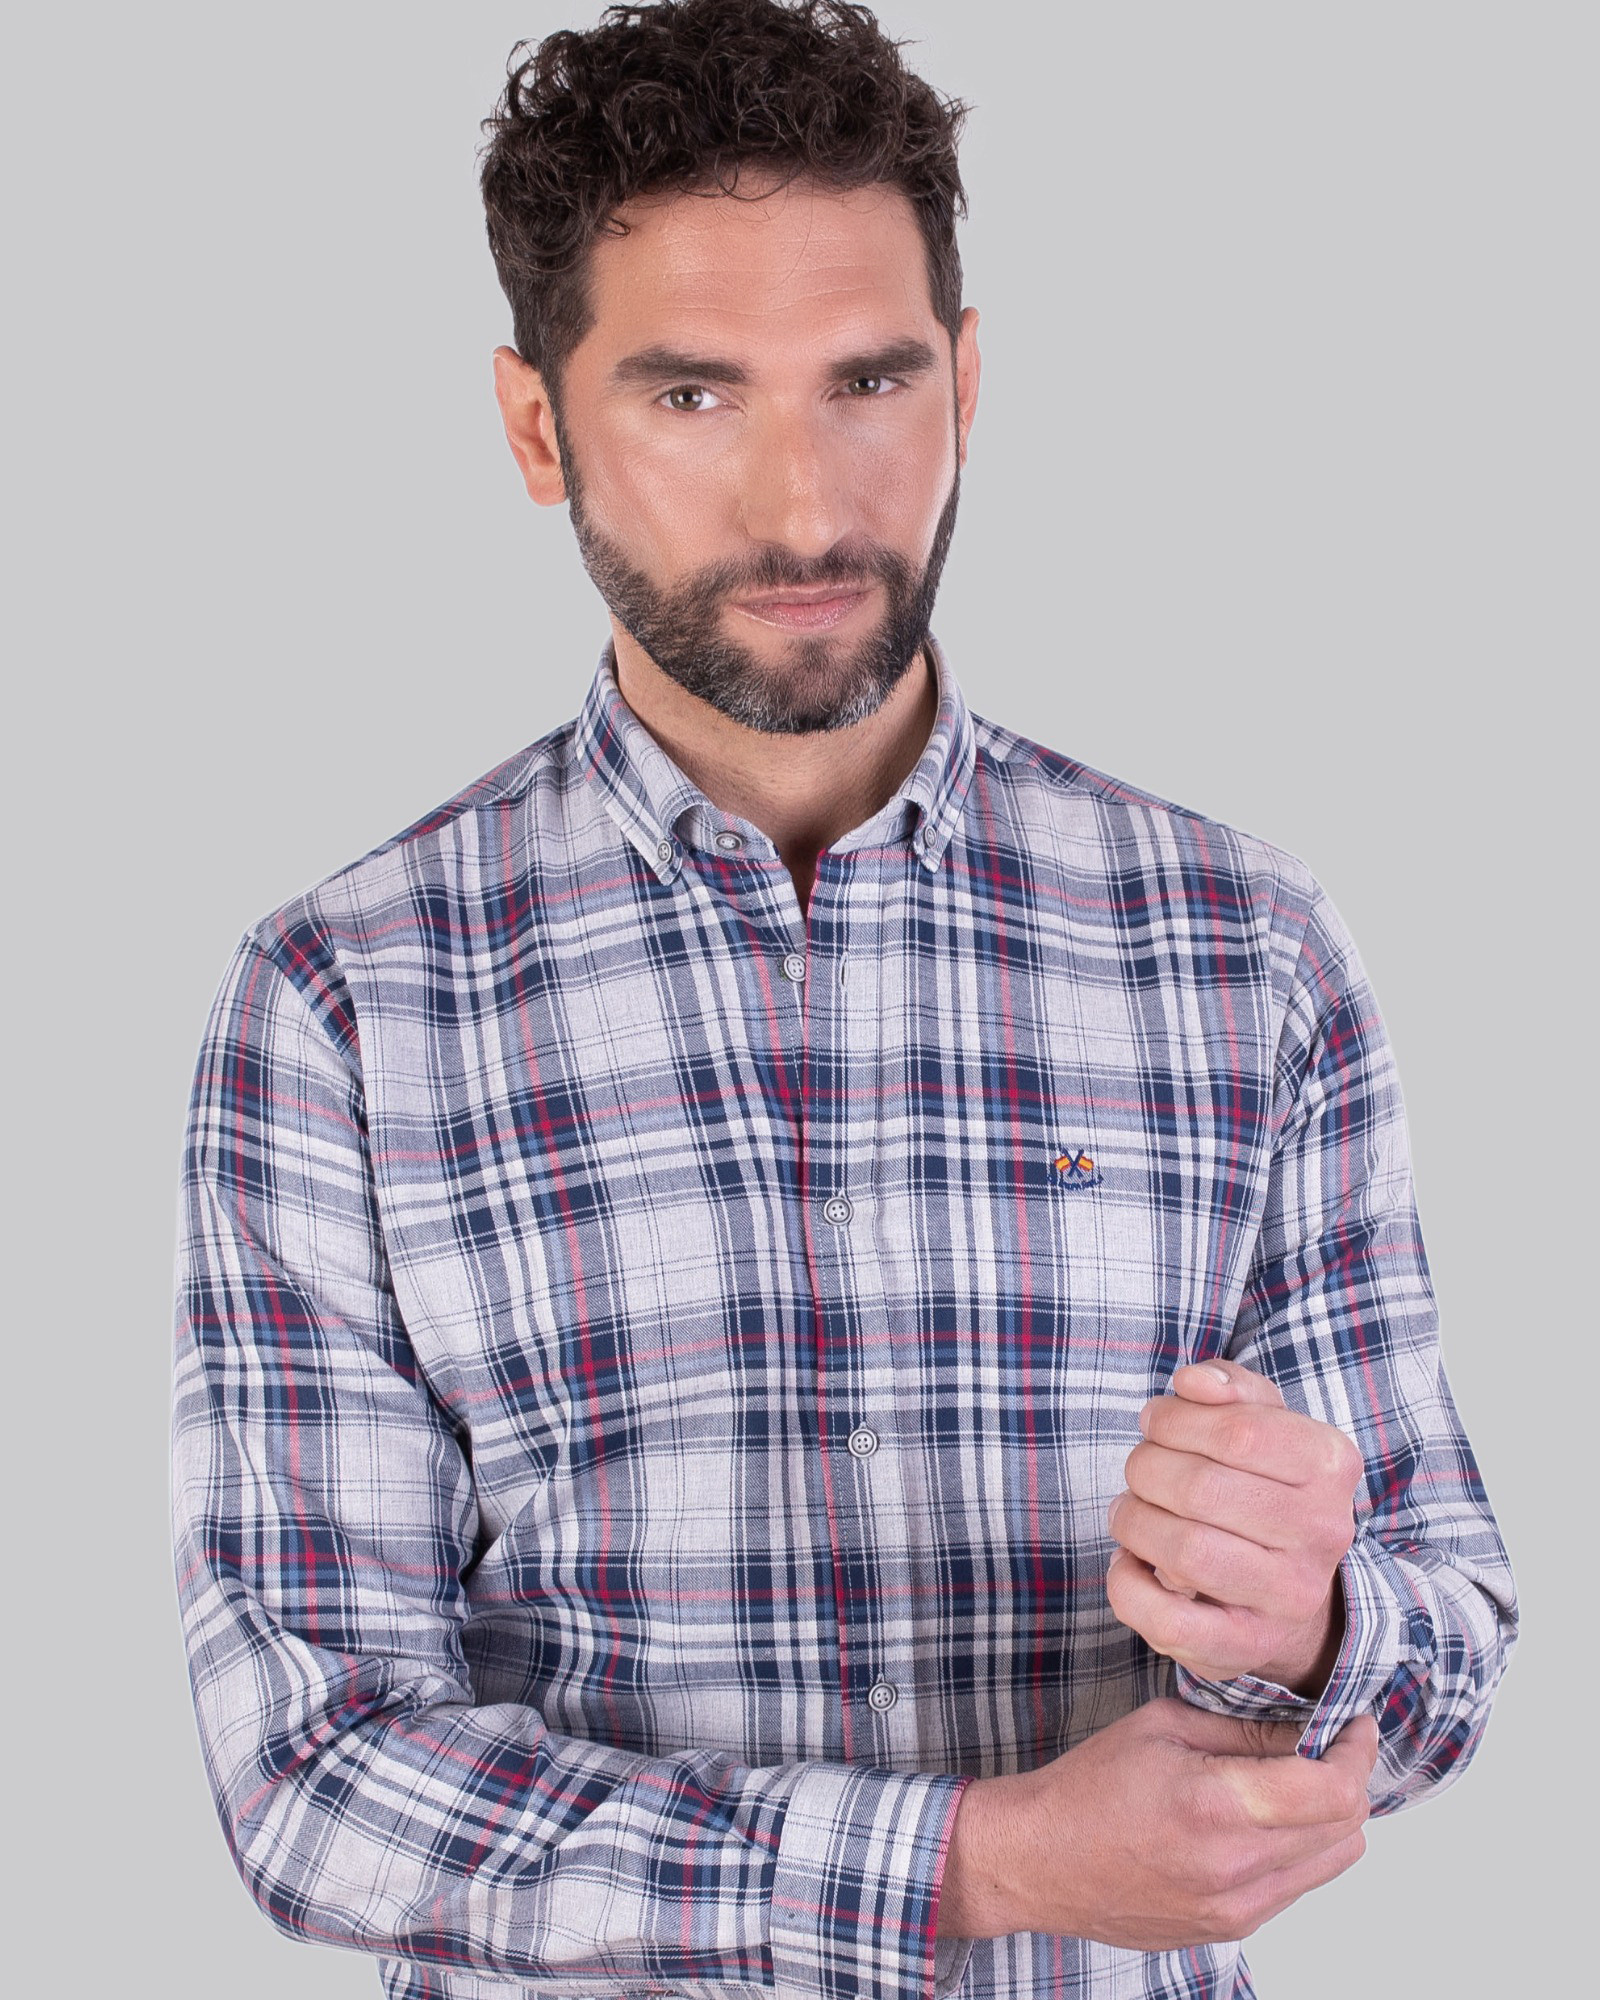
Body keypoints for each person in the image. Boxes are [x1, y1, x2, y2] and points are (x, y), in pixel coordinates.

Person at [169, 3, 1518, 1996]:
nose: (804, 505)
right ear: (538, 427)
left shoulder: (1243, 947)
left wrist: (1310, 1636)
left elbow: (1437, 1648)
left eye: (870, 380)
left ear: (966, 380)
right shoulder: (344, 1006)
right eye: (691, 396)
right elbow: (314, 1777)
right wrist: (970, 1862)